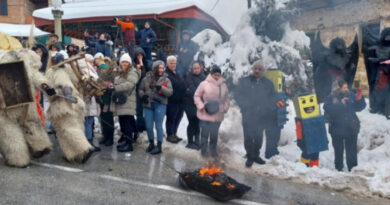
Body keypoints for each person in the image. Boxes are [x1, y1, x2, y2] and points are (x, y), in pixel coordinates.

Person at [234, 61, 278, 167]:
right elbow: (238, 95)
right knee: (248, 136)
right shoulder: (245, 81)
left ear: (263, 71)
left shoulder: (268, 83)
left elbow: (273, 97)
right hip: (248, 114)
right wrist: (244, 106)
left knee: (258, 137)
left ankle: (256, 155)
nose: (257, 71)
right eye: (255, 69)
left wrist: (267, 107)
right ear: (252, 69)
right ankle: (250, 156)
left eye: (260, 69)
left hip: (262, 115)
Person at [323, 79, 366, 171]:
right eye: (344, 87)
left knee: (351, 150)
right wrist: (341, 104)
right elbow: (328, 109)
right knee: (338, 150)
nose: (346, 89)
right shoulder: (331, 97)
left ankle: (353, 168)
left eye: (347, 87)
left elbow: (359, 108)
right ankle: (339, 168)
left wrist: (360, 100)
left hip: (351, 127)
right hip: (336, 129)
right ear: (338, 88)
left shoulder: (351, 95)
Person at [194, 65, 230, 157]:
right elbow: (197, 95)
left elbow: (227, 99)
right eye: (215, 74)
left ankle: (213, 151)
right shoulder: (204, 84)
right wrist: (201, 106)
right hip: (206, 113)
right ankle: (204, 150)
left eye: (219, 75)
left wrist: (224, 108)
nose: (217, 76)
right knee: (205, 134)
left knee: (214, 134)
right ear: (211, 74)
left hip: (218, 113)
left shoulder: (224, 85)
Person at [138, 60, 173, 155]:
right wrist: (143, 96)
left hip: (160, 105)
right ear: (155, 68)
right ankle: (151, 143)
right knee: (149, 126)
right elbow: (140, 89)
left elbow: (170, 92)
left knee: (158, 126)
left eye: (162, 68)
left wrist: (161, 88)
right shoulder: (146, 78)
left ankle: (159, 146)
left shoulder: (166, 79)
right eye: (159, 68)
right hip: (148, 105)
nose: (161, 70)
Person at [110, 54, 141, 152]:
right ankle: (126, 139)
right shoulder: (120, 72)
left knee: (126, 123)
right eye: (123, 61)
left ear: (130, 63)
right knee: (123, 122)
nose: (124, 63)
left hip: (128, 101)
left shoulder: (132, 72)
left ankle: (129, 145)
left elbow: (130, 84)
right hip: (121, 102)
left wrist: (115, 87)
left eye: (126, 62)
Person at [80, 54, 101, 152]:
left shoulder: (84, 68)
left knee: (89, 120)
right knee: (88, 121)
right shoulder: (85, 69)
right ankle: (88, 143)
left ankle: (88, 141)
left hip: (88, 98)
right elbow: (93, 82)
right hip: (87, 98)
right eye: (91, 61)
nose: (92, 63)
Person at [184, 61, 206, 149]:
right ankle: (190, 142)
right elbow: (193, 90)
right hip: (189, 103)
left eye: (197, 68)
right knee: (192, 122)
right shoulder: (189, 77)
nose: (196, 70)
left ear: (200, 68)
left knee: (198, 123)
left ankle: (197, 141)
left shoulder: (203, 77)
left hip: (199, 104)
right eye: (194, 68)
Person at [165, 56, 186, 143]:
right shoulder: (166, 74)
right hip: (172, 101)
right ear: (167, 64)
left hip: (180, 101)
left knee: (178, 117)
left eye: (174, 63)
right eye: (171, 63)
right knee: (171, 118)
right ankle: (169, 135)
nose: (173, 65)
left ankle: (174, 133)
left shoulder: (177, 73)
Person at [133, 47, 152, 138]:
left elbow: (149, 74)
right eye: (138, 55)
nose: (139, 57)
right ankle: (139, 127)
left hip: (146, 90)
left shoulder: (147, 63)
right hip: (137, 90)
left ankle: (146, 126)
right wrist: (137, 68)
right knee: (139, 110)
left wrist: (142, 64)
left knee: (147, 110)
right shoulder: (134, 65)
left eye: (141, 55)